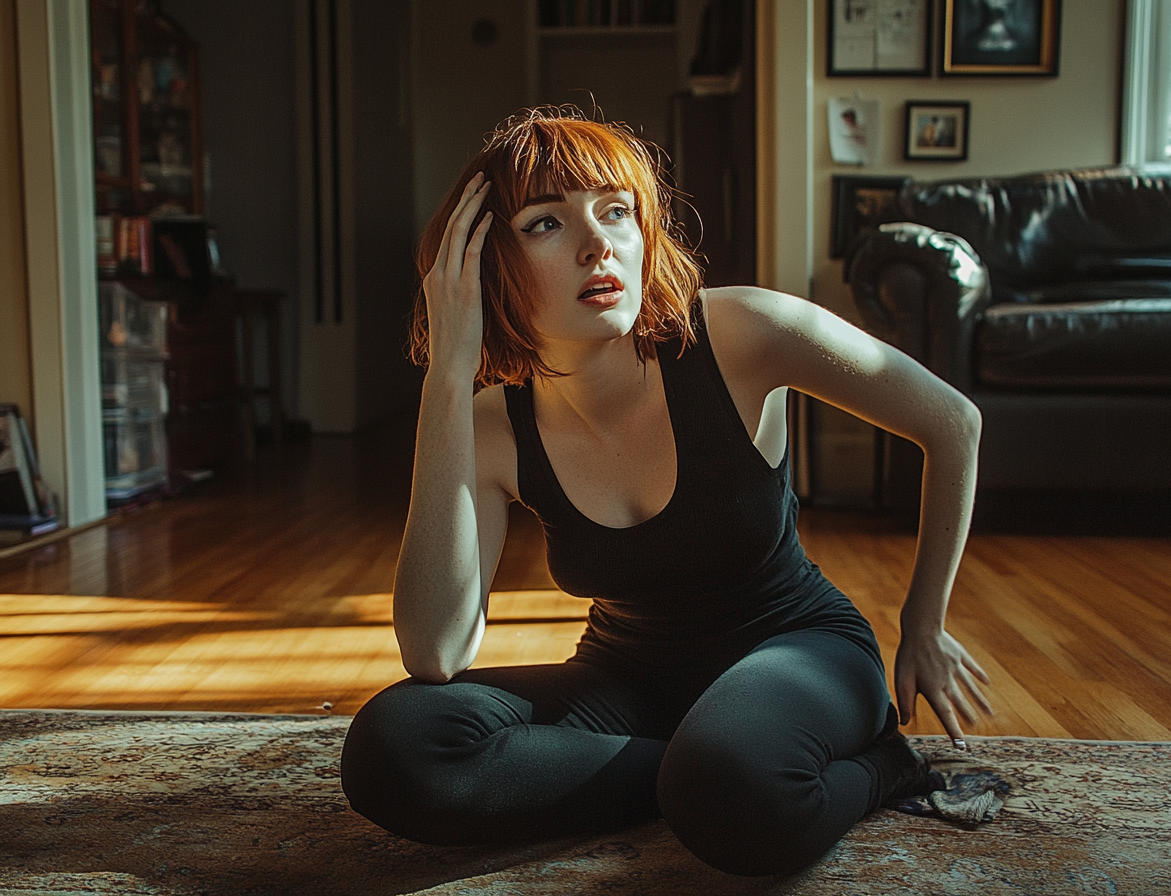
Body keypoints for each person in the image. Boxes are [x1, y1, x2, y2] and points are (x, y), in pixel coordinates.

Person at [340, 107, 991, 877]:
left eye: (616, 212)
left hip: (796, 649)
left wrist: (924, 623)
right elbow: (437, 650)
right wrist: (448, 375)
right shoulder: (490, 426)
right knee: (394, 746)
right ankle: (703, 778)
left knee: (730, 782)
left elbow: (953, 422)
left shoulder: (743, 333)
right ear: (485, 266)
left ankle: (878, 766)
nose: (598, 244)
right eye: (546, 224)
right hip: (629, 681)